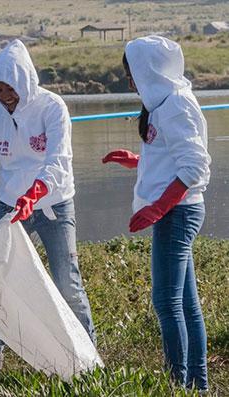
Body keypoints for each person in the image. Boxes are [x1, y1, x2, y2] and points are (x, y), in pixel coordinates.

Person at [0, 39, 96, 372]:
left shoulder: (52, 108)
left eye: (9, 88)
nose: (4, 96)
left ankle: (87, 358)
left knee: (67, 280)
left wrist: (35, 195)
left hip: (53, 204)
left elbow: (58, 162)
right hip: (11, 205)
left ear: (24, 82)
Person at [103, 36, 211, 391]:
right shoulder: (162, 103)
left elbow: (195, 165)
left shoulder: (176, 105)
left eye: (131, 73)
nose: (130, 81)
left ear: (148, 70)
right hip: (177, 210)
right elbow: (172, 157)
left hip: (177, 212)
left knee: (166, 302)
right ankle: (197, 385)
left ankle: (176, 384)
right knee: (186, 304)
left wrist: (159, 207)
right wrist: (137, 160)